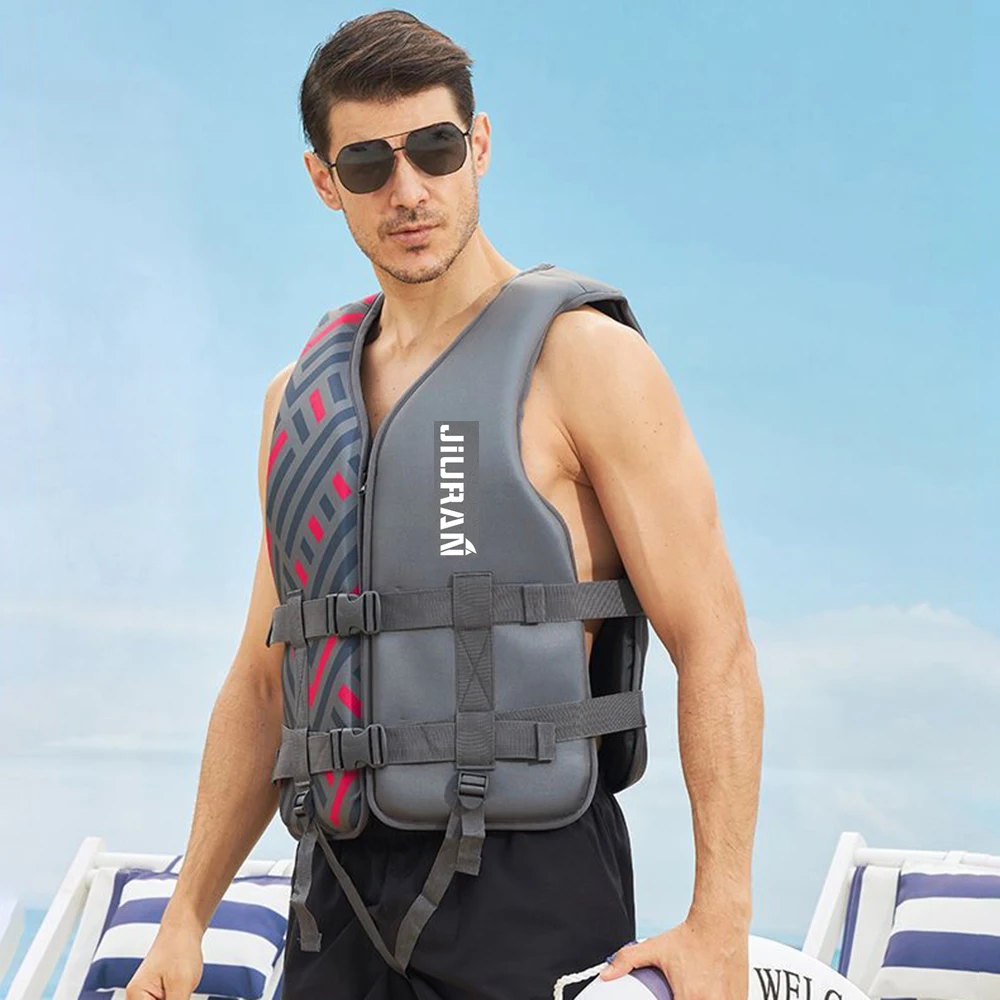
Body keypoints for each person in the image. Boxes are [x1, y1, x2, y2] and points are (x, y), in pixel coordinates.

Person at [125, 9, 763, 1000]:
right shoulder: (298, 405)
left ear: (481, 145)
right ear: (323, 180)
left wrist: (720, 922)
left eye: (434, 147)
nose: (409, 189)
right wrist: (185, 917)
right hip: (333, 896)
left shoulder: (584, 361)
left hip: (531, 880)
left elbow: (714, 642)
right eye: (367, 163)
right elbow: (262, 682)